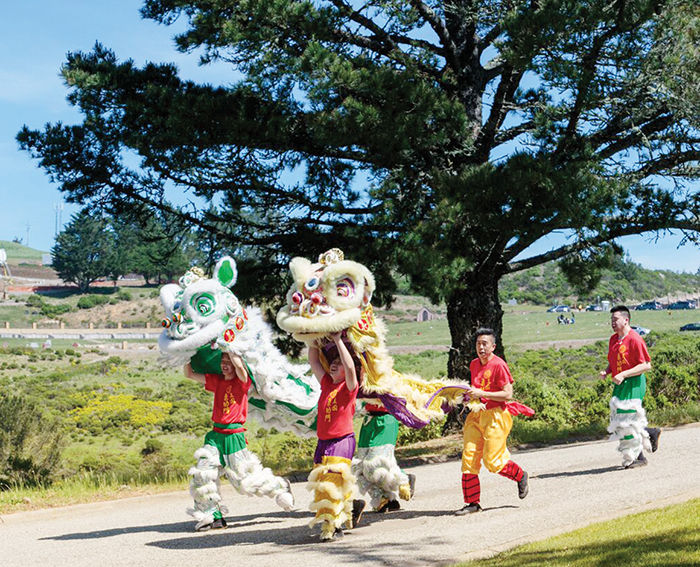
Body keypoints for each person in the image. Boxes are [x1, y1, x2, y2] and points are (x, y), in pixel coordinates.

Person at [183, 352, 295, 532]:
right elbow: (189, 374)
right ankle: (212, 516)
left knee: (245, 481)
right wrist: (184, 353)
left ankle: (280, 487)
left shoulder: (242, 382)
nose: (225, 365)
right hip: (215, 435)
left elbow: (242, 370)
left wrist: (233, 348)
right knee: (202, 474)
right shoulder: (218, 380)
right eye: (222, 361)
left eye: (229, 361)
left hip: (234, 436)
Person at [457, 328, 530, 515]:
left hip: (496, 415)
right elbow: (476, 391)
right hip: (476, 415)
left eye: (484, 344)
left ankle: (520, 475)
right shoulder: (474, 364)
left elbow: (508, 394)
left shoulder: (499, 365)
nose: (480, 347)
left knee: (493, 462)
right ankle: (472, 503)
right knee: (469, 457)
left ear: (493, 346)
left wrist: (483, 394)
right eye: (478, 343)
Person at [307, 333, 365, 541]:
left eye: (338, 363)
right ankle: (350, 509)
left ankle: (332, 525)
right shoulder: (326, 383)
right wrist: (312, 335)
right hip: (323, 442)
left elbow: (350, 369)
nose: (334, 365)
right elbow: (313, 360)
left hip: (342, 440)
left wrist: (338, 340)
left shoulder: (349, 386)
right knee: (323, 483)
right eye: (332, 362)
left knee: (330, 484)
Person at [599, 305, 661, 468]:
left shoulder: (634, 339)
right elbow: (615, 360)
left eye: (615, 319)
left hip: (633, 382)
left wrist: (624, 374)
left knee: (628, 420)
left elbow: (646, 365)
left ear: (626, 320)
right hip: (620, 383)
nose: (612, 322)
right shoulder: (613, 339)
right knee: (621, 421)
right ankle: (651, 433)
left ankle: (639, 457)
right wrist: (607, 371)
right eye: (611, 320)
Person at [352, 399, 416, 513]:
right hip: (368, 421)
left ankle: (403, 479)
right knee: (359, 466)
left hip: (386, 420)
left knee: (376, 462)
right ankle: (384, 499)